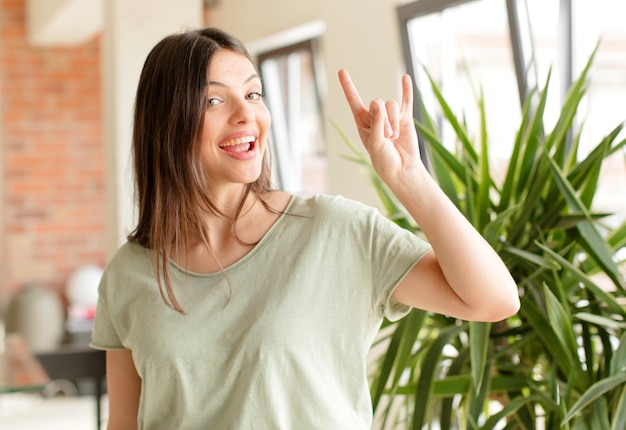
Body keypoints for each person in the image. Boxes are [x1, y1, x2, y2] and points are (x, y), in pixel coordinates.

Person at [90, 27, 520, 430]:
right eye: (213, 101)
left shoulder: (334, 230)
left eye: (254, 93)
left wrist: (410, 178)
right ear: (166, 123)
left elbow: (493, 300)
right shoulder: (129, 273)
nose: (247, 114)